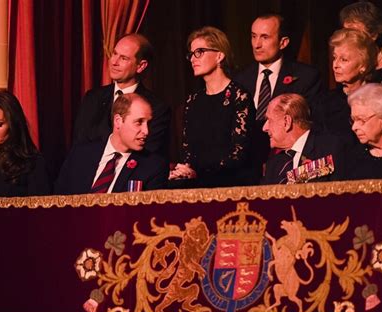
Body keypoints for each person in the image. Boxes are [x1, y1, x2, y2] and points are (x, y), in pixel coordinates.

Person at [234, 14, 323, 177]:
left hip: (286, 166)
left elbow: (308, 126)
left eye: (265, 37)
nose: (257, 44)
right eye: (253, 37)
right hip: (246, 168)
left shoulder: (306, 77)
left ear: (283, 42)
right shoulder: (240, 80)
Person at [169, 26, 254, 188]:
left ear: (219, 56)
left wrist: (197, 171)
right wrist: (185, 170)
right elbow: (187, 151)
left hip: (229, 184)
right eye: (191, 54)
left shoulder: (239, 96)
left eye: (199, 52)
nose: (193, 59)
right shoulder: (192, 101)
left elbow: (238, 155)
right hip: (196, 182)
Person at [72, 33, 171, 159]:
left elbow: (149, 155)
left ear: (141, 66)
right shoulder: (92, 98)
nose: (114, 62)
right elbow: (78, 146)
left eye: (123, 58)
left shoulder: (156, 108)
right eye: (114, 54)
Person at [55, 93, 168, 194]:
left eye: (148, 123)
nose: (146, 131)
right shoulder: (80, 155)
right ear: (118, 121)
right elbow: (58, 202)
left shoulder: (153, 166)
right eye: (139, 122)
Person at [262, 94, 347, 184]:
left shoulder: (330, 149)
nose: (264, 128)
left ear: (286, 121)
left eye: (269, 120)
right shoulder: (274, 165)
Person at [314, 28, 378, 145]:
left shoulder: (379, 99)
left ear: (363, 65)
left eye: (344, 60)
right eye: (334, 58)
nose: (335, 65)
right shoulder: (324, 101)